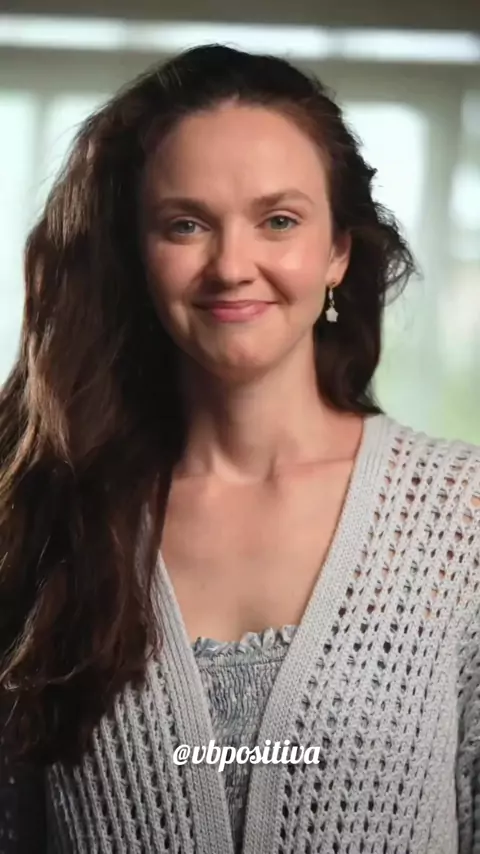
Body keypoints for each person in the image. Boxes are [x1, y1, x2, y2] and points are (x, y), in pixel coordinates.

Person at [0, 42, 479, 854]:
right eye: (185, 225)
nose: (231, 266)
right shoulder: (49, 519)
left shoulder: (462, 520)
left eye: (278, 221)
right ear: (138, 254)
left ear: (338, 252)